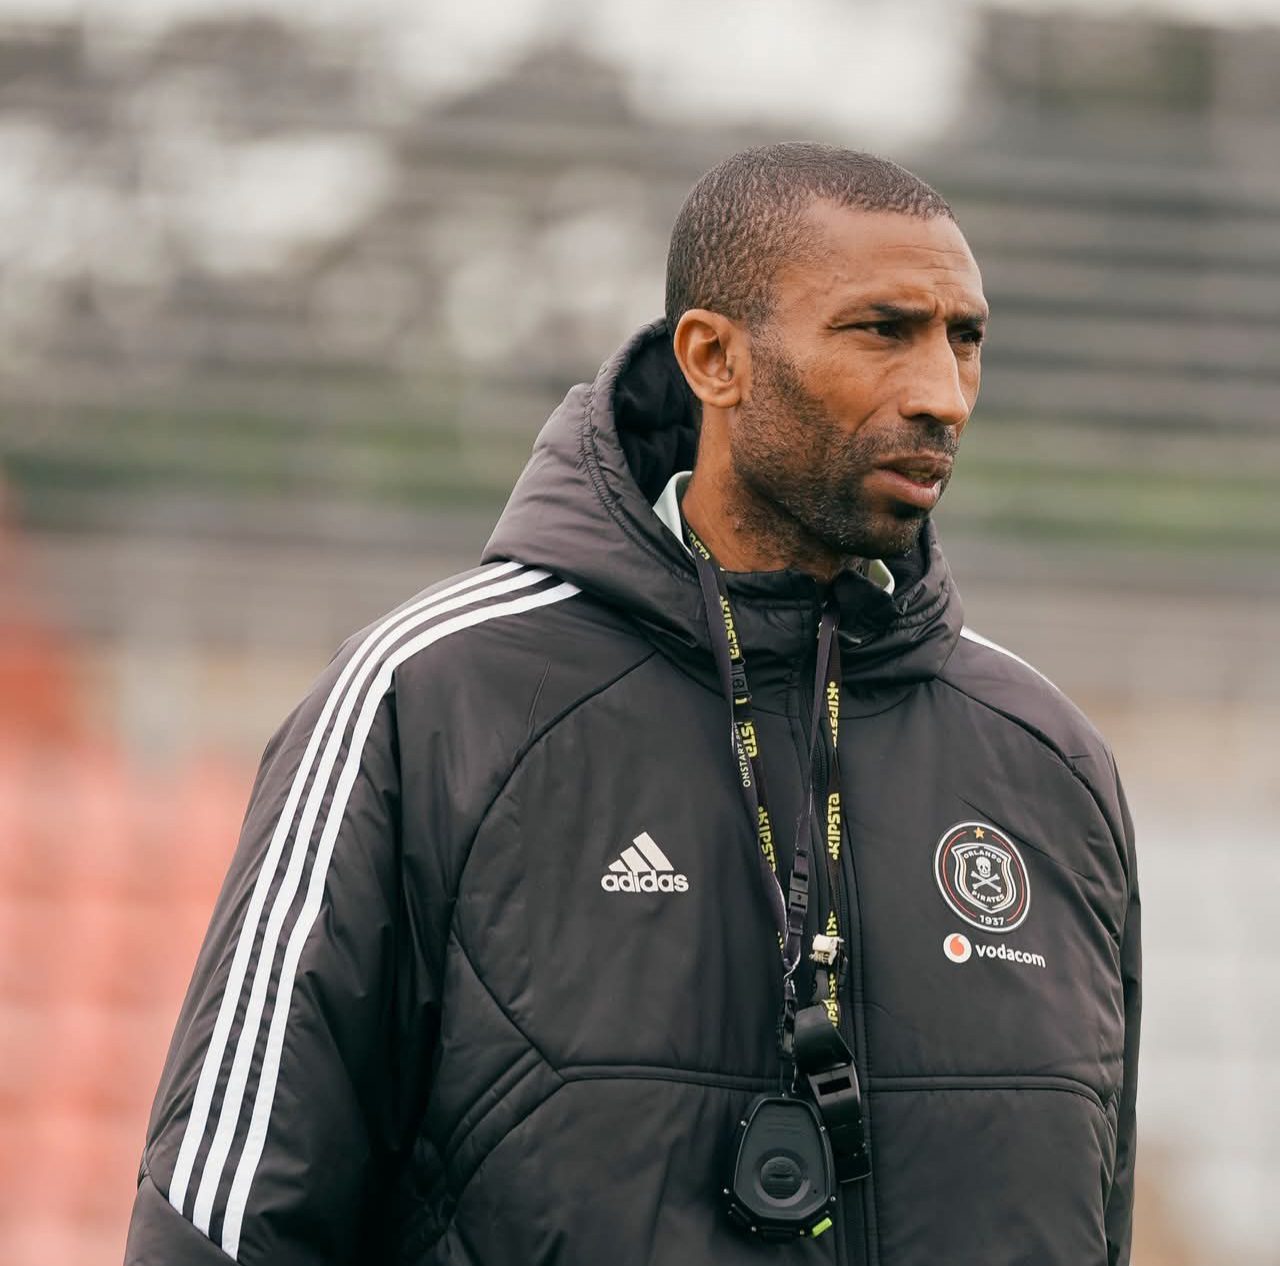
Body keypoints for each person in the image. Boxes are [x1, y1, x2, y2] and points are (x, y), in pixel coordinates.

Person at [125, 142, 1140, 1266]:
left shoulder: (1050, 764)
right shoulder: (430, 700)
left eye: (966, 339)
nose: (941, 395)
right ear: (714, 358)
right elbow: (221, 1229)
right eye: (881, 331)